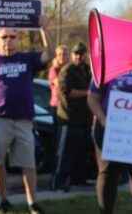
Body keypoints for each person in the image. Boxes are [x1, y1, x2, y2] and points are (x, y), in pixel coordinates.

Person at [0, 25, 51, 214]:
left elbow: (49, 55)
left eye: (12, 36)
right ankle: (3, 200)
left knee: (28, 163)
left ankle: (32, 203)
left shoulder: (27, 59)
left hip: (23, 120)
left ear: (18, 39)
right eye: (4, 37)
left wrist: (45, 29)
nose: (8, 40)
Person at [87, 68, 132, 214]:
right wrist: (103, 119)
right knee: (108, 173)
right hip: (110, 130)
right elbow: (92, 97)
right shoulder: (107, 65)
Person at [51, 42, 93, 191]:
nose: (79, 57)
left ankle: (79, 180)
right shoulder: (67, 70)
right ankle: (58, 182)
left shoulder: (87, 69)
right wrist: (87, 93)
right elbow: (66, 91)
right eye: (76, 54)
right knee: (63, 153)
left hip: (84, 118)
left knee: (81, 151)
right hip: (68, 117)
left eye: (81, 54)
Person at [48, 45, 69, 114]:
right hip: (57, 105)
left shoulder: (71, 68)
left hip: (69, 105)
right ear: (56, 56)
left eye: (64, 54)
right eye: (59, 54)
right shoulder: (53, 69)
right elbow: (59, 83)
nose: (62, 56)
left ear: (68, 56)